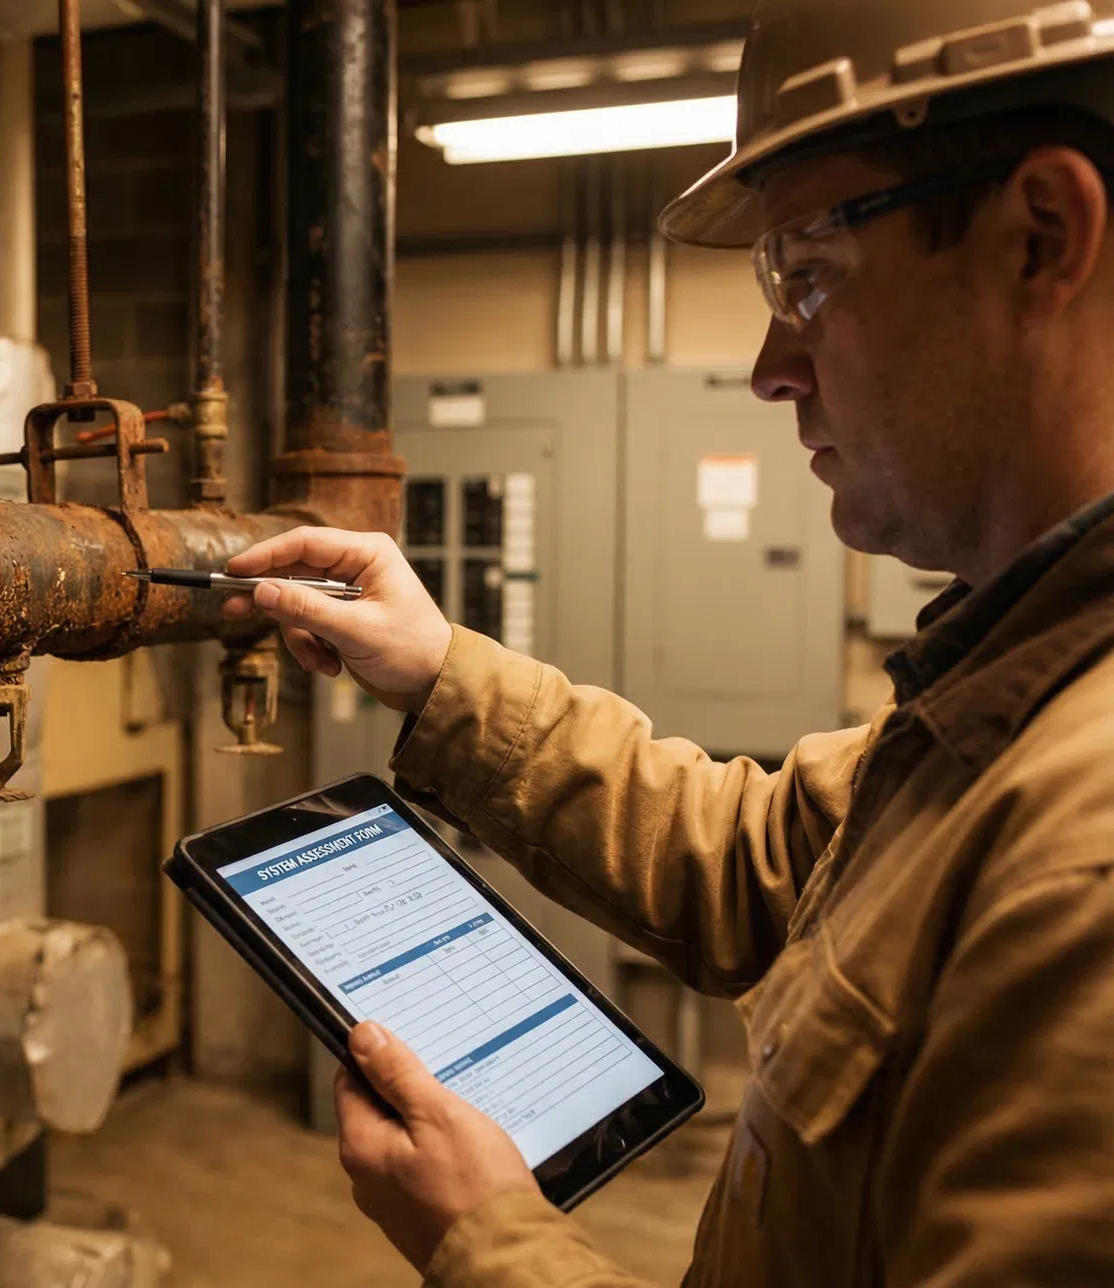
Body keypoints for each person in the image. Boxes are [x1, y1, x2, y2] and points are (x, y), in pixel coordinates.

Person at [225, 1, 1114, 1283]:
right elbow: (760, 855)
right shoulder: (1005, 704)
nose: (768, 365)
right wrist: (436, 669)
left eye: (809, 275)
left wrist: (492, 1239)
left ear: (1042, 236)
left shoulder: (1080, 854)